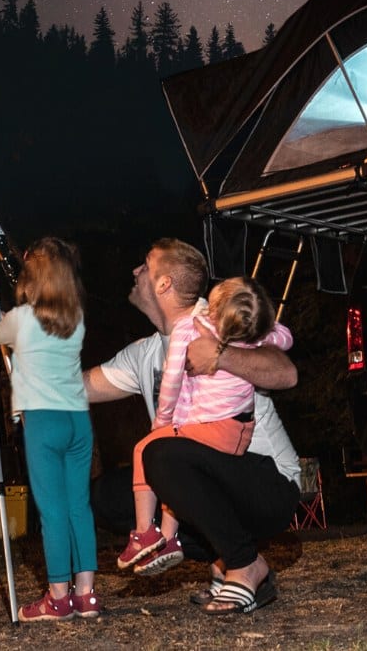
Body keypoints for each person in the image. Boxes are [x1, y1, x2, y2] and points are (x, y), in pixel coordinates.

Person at [85, 238, 301, 615]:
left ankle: (246, 564)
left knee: (160, 452)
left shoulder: (217, 319)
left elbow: (285, 372)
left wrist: (221, 354)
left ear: (164, 284)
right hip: (200, 470)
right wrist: (32, 372)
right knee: (109, 496)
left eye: (144, 267)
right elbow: (81, 386)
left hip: (267, 484)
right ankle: (216, 555)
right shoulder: (145, 352)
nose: (134, 272)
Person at [119, 275, 294, 575]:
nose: (136, 272)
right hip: (235, 433)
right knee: (162, 469)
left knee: (147, 449)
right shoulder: (249, 330)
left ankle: (147, 532)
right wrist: (266, 330)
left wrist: (161, 421)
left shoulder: (191, 327)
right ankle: (170, 537)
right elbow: (285, 337)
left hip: (224, 439)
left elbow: (172, 381)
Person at [0, 237, 101, 622]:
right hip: (78, 422)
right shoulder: (76, 318)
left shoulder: (21, 319)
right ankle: (86, 596)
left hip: (44, 423)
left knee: (52, 512)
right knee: (78, 507)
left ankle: (58, 598)